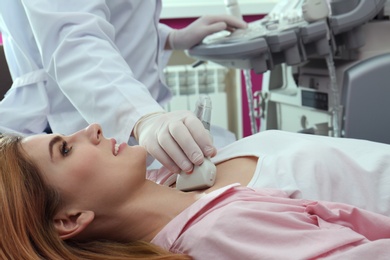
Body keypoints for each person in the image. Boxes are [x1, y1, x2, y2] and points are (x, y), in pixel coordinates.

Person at [1, 124, 390, 259]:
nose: (92, 128)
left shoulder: (172, 189)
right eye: (65, 150)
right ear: (69, 219)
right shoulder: (225, 231)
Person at [0, 0, 247, 174]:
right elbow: (72, 37)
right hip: (73, 109)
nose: (94, 132)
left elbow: (117, 16)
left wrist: (169, 38)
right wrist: (141, 118)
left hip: (127, 119)